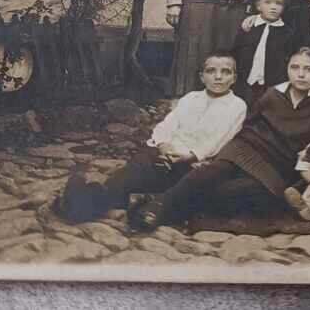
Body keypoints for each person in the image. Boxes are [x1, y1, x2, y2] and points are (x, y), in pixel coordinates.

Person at [128, 48, 310, 231]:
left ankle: (152, 201)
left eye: (309, 69)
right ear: (287, 69)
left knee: (234, 193)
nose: (301, 75)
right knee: (213, 171)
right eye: (295, 68)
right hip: (247, 149)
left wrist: (307, 176)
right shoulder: (273, 94)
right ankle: (159, 208)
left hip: (280, 167)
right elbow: (250, 125)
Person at [54, 53, 246, 223]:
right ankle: (87, 200)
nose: (218, 77)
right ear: (202, 76)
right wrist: (163, 145)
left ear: (234, 78)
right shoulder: (191, 98)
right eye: (211, 71)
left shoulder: (237, 106)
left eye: (226, 72)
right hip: (164, 154)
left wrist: (186, 157)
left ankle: (78, 204)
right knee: (134, 171)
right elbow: (168, 125)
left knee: (153, 179)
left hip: (191, 164)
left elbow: (217, 140)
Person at [232, 0, 295, 109]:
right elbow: (236, 51)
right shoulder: (248, 27)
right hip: (245, 81)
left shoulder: (287, 33)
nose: (273, 7)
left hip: (271, 83)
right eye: (268, 2)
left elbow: (288, 59)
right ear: (258, 6)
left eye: (279, 3)